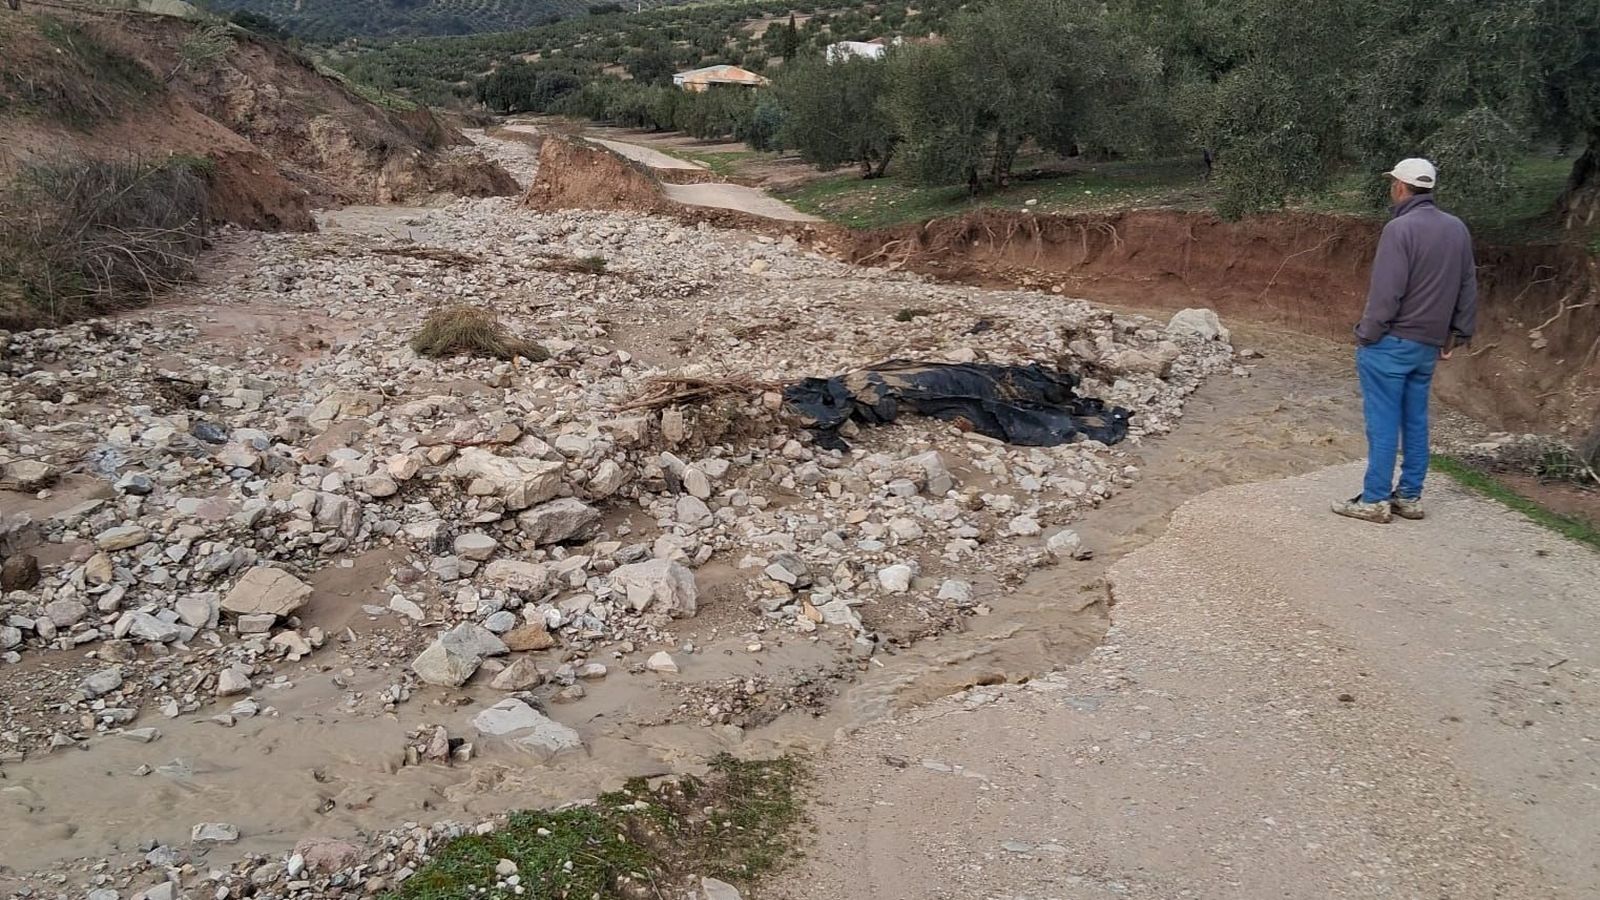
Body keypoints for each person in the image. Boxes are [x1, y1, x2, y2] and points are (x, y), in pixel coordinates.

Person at [1333, 158, 1477, 524]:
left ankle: (1375, 500)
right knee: (1415, 421)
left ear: (1400, 186)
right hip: (1428, 346)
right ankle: (1410, 496)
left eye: (1392, 183)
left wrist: (1366, 335)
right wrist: (1457, 335)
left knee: (1382, 423)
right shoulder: (1457, 228)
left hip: (1390, 343)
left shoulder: (1399, 230)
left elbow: (1386, 293)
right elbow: (1466, 285)